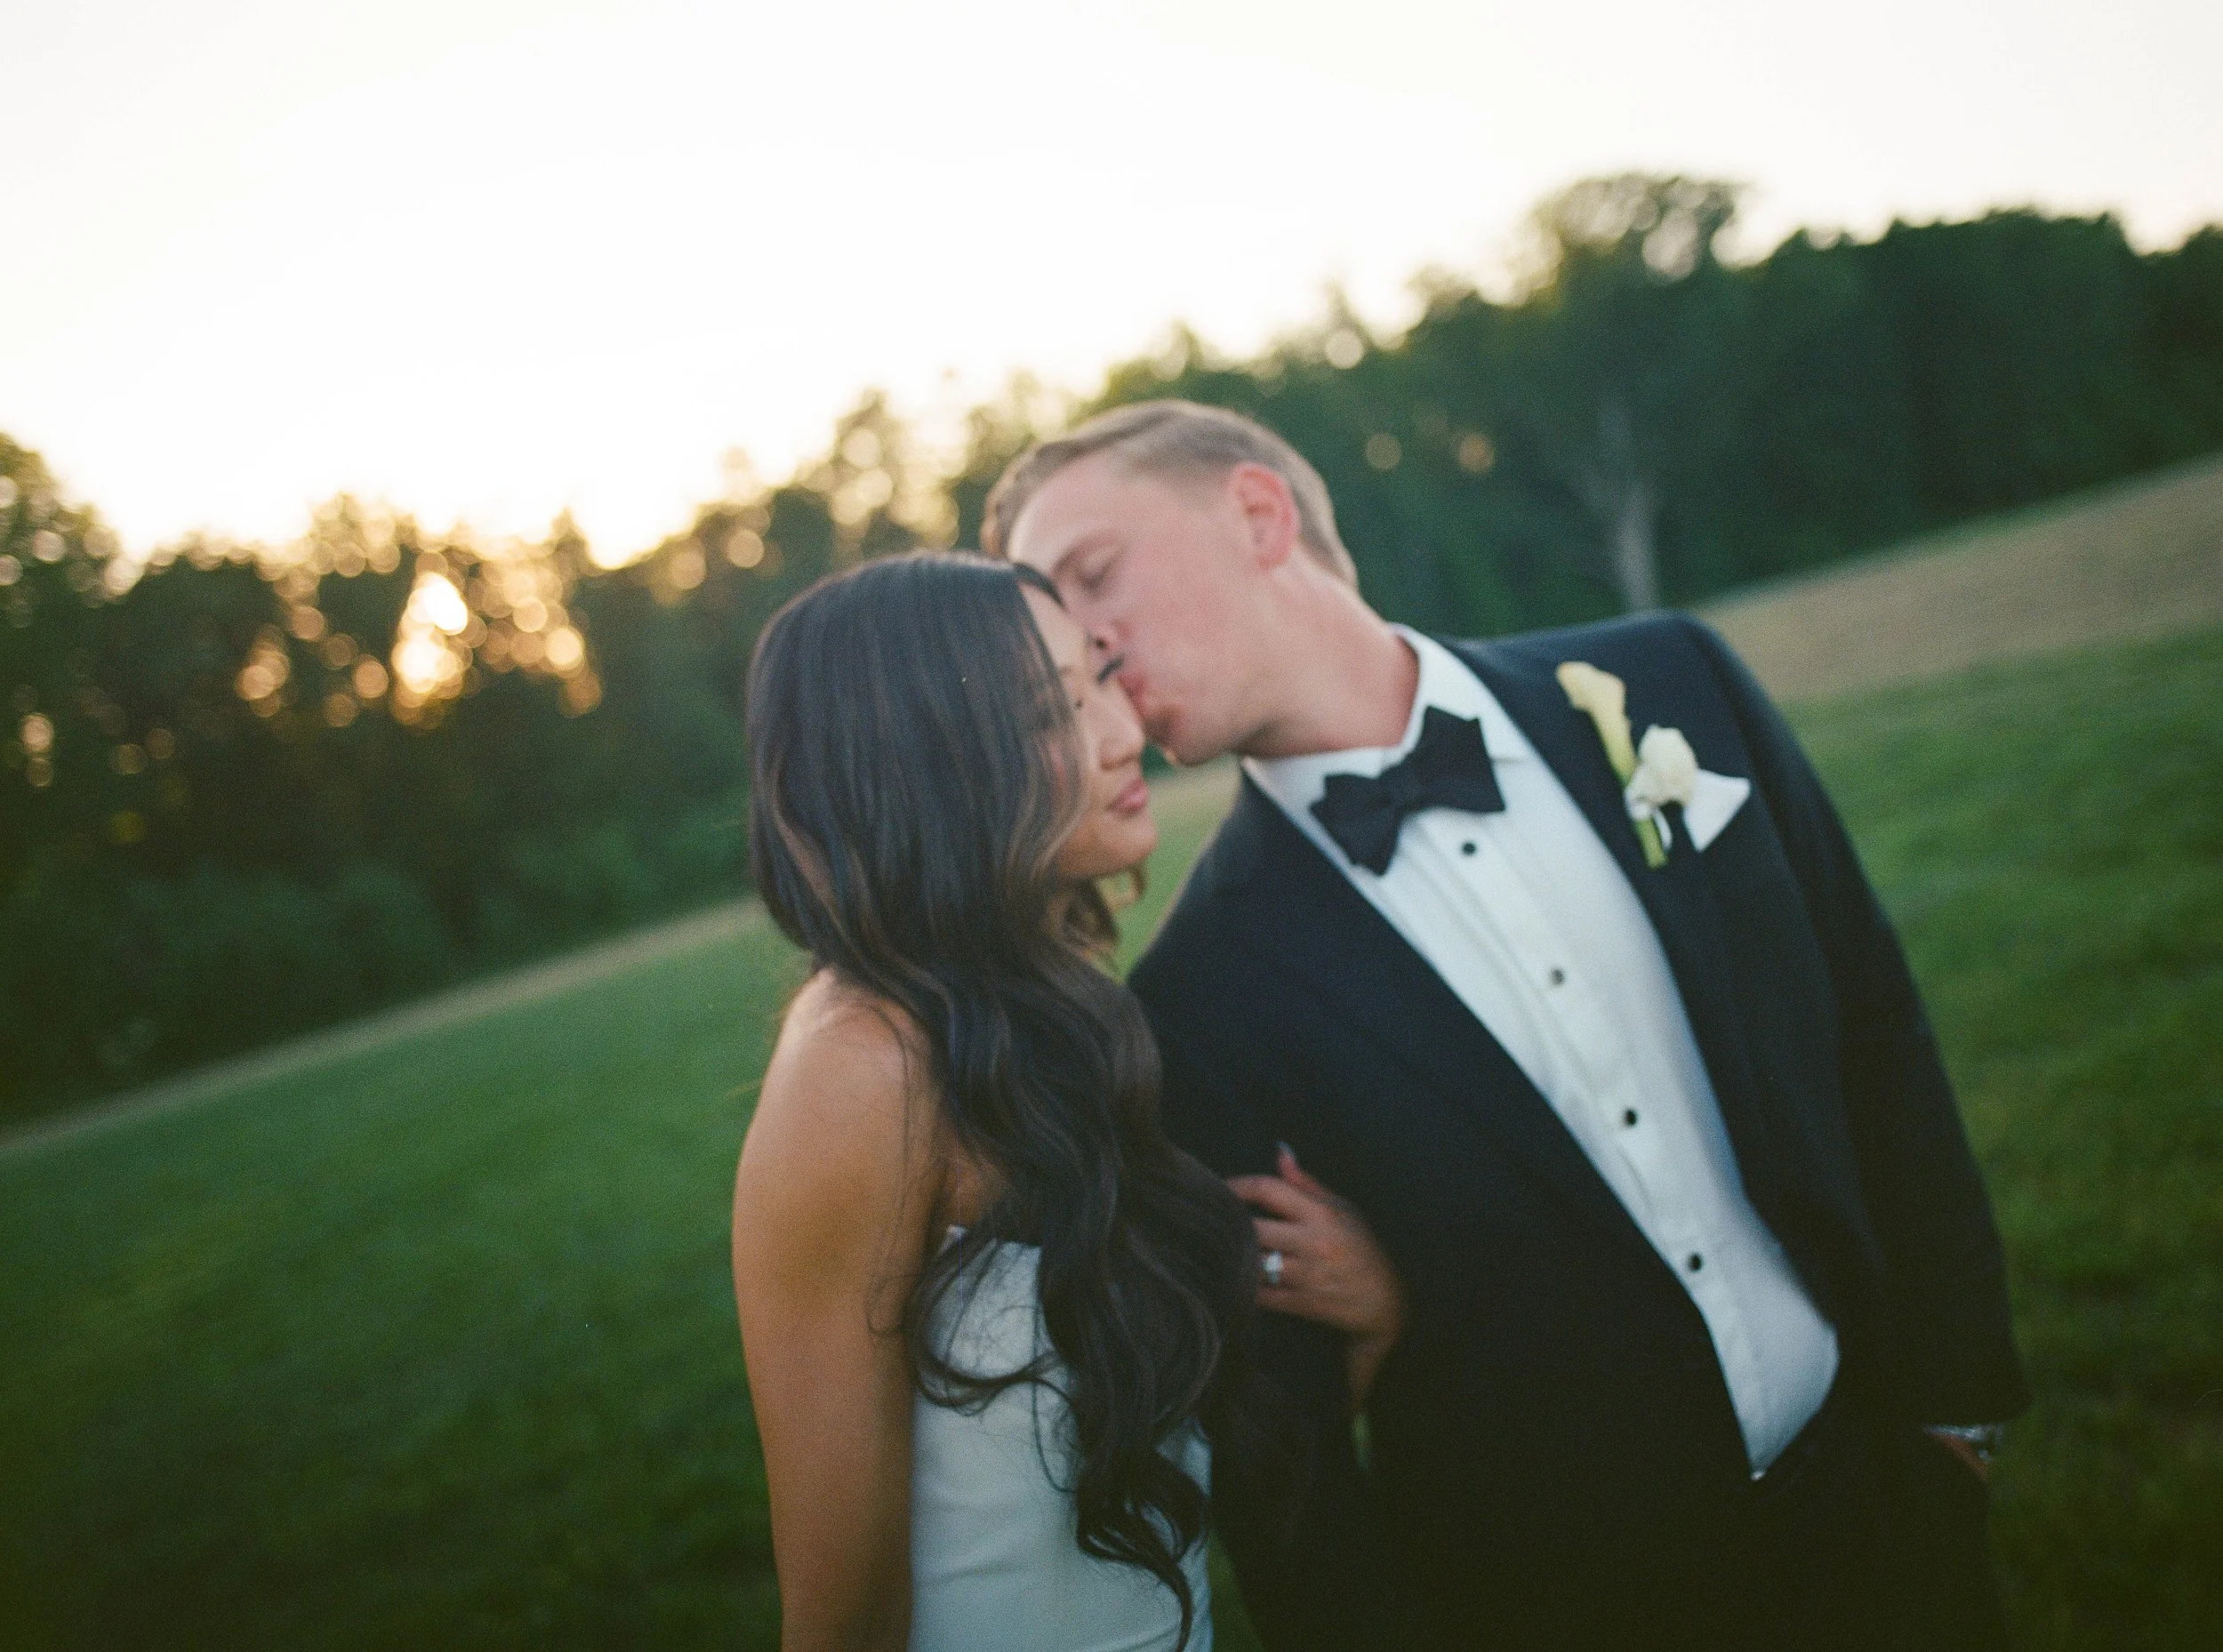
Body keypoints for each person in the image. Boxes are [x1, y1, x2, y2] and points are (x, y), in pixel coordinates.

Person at [984, 401, 2030, 1652]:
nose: (1085, 642)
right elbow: (1286, 1468)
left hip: (1886, 1504)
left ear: (1259, 515)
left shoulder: (1671, 681)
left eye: (1094, 574)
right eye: (1055, 625)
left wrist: (1955, 1427)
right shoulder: (1194, 1000)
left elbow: (1876, 1033)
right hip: (1577, 1605)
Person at [730, 551, 1406, 1652]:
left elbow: (1193, 1461)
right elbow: (843, 1616)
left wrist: (1363, 1310)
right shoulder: (864, 1067)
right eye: (1053, 710)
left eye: (1098, 675)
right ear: (927, 766)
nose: (1117, 731)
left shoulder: (1063, 1019)